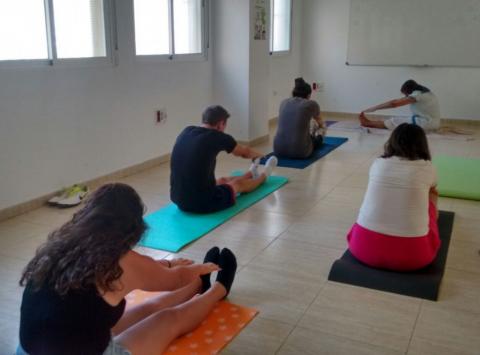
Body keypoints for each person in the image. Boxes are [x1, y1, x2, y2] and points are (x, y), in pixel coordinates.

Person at [18, 183, 238, 355]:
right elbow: (174, 281)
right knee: (168, 319)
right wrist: (197, 268)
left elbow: (144, 272)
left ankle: (199, 284)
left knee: (146, 308)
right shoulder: (119, 261)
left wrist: (169, 265)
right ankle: (218, 289)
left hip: (30, 350)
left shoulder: (59, 248)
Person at [347, 124, 441, 271]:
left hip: (361, 248)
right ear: (422, 144)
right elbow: (433, 190)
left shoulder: (378, 163)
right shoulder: (427, 168)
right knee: (432, 194)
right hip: (415, 258)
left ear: (392, 141)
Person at [170, 105, 277, 214]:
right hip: (201, 203)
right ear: (221, 124)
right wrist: (261, 156)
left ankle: (251, 174)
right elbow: (245, 153)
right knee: (238, 184)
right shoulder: (217, 136)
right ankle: (264, 176)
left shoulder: (186, 131)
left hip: (178, 198)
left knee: (222, 181)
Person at [273, 78, 325, 159]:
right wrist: (321, 128)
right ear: (308, 95)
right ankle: (319, 137)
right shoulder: (311, 104)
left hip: (278, 150)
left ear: (293, 93)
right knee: (319, 129)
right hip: (301, 152)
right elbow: (320, 122)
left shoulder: (283, 102)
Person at [359, 80, 441, 131]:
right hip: (430, 122)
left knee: (394, 121)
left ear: (409, 91)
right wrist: (375, 108)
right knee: (398, 120)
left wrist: (374, 108)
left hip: (427, 123)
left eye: (405, 94)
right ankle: (370, 122)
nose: (405, 96)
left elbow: (394, 104)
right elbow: (395, 101)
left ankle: (368, 123)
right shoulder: (422, 92)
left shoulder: (417, 95)